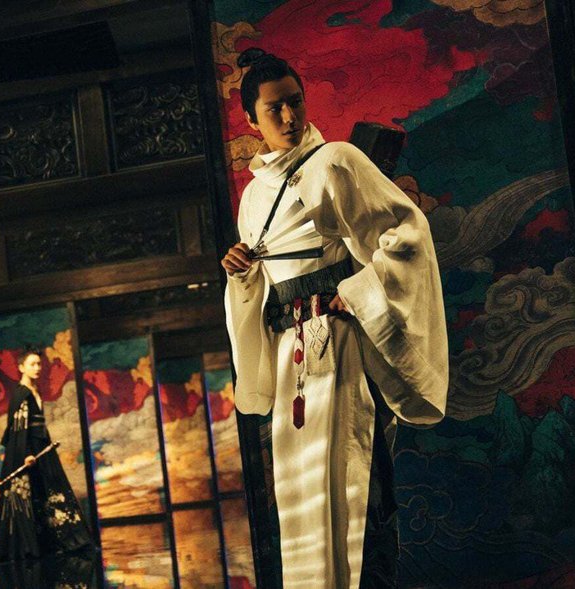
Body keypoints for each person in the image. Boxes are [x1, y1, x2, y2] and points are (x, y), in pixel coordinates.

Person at [222, 48, 448, 589]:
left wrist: (361, 289)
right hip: (290, 358)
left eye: (295, 103)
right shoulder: (252, 198)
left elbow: (407, 233)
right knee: (300, 493)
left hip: (339, 344)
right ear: (251, 120)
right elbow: (263, 285)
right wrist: (241, 273)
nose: (289, 117)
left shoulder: (336, 161)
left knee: (356, 483)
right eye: (274, 109)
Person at [0, 350, 94, 564]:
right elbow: (19, 429)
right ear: (21, 367)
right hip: (26, 451)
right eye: (32, 364)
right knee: (26, 495)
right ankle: (27, 547)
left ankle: (55, 542)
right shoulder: (21, 394)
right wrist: (26, 454)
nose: (37, 368)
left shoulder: (35, 391)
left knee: (48, 490)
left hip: (42, 447)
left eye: (39, 364)